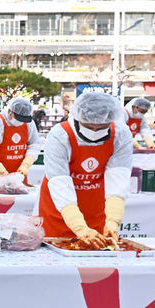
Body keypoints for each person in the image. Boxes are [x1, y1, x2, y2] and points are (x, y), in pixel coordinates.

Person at [37, 92, 133, 248]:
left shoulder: (120, 135)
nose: (95, 131)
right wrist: (79, 227)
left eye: (101, 127)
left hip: (95, 206)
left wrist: (113, 220)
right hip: (59, 208)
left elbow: (118, 179)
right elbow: (59, 182)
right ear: (78, 118)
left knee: (96, 252)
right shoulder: (60, 136)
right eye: (88, 126)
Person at [0, 97, 42, 184]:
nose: (21, 122)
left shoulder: (29, 124)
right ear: (9, 112)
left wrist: (26, 164)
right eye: (18, 119)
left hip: (19, 178)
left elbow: (34, 145)